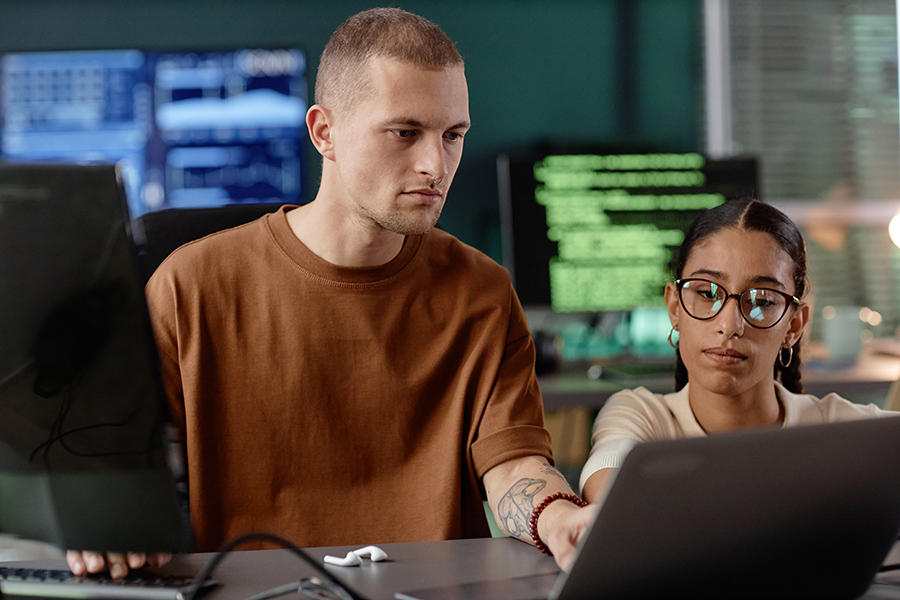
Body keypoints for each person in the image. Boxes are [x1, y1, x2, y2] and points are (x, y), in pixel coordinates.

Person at [67, 7, 595, 579]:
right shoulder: (189, 285)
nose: (434, 164)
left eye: (453, 135)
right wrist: (98, 518)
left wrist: (555, 514)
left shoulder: (483, 292)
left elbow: (514, 464)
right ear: (325, 132)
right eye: (404, 132)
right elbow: (104, 456)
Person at [580, 198, 893, 504]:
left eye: (762, 301)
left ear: (794, 326)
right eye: (706, 293)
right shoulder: (641, 415)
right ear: (675, 307)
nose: (729, 325)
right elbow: (612, 496)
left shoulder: (841, 429)